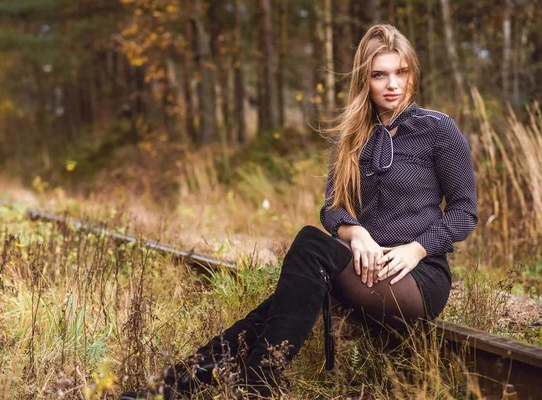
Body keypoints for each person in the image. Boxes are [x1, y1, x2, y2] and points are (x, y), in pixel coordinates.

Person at [119, 24, 477, 400]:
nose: (392, 84)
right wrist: (356, 234)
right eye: (379, 74)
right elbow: (333, 208)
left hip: (414, 279)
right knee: (269, 313)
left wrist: (416, 249)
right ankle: (167, 390)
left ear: (413, 74)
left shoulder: (438, 130)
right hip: (361, 269)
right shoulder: (351, 137)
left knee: (309, 244)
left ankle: (256, 382)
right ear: (364, 80)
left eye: (400, 72)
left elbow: (464, 212)